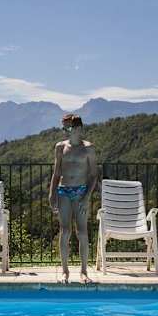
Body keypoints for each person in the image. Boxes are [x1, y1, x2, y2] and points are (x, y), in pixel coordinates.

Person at [49, 114, 98, 283]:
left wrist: (86, 197)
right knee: (65, 231)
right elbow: (56, 173)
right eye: (63, 127)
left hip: (81, 192)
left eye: (67, 127)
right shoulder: (60, 147)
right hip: (63, 191)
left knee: (82, 232)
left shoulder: (88, 148)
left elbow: (94, 175)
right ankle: (65, 272)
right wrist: (52, 193)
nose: (64, 130)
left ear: (77, 128)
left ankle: (84, 272)